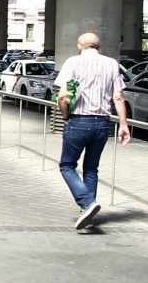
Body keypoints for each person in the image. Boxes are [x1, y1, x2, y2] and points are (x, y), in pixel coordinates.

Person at [53, 31, 130, 230]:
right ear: (99, 46)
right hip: (103, 123)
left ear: (80, 45)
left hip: (79, 120)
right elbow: (119, 97)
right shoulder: (112, 64)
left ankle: (87, 203)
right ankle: (88, 212)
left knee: (67, 165)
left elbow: (62, 97)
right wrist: (123, 124)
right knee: (91, 168)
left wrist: (65, 116)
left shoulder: (72, 62)